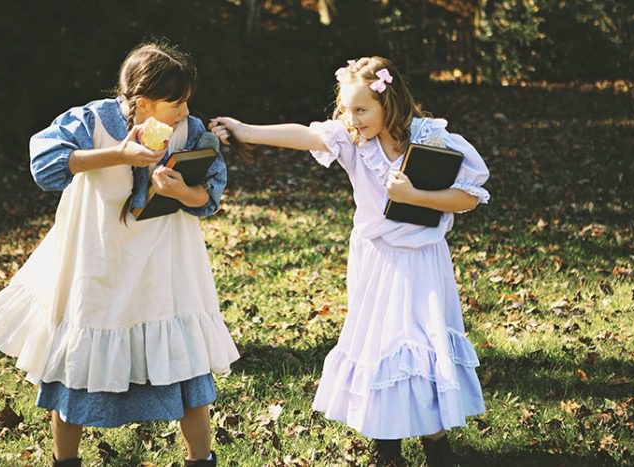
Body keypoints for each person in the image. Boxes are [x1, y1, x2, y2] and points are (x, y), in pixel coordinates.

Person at [209, 56, 489, 466]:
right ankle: (386, 447)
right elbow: (304, 136)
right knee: (381, 346)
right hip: (375, 259)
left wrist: (415, 197)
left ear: (388, 103)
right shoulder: (354, 142)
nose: (352, 119)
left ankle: (436, 443)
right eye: (346, 109)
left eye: (361, 109)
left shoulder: (432, 137)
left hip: (422, 261)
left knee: (423, 348)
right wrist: (245, 130)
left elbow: (468, 197)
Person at [0, 40, 239, 467]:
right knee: (76, 367)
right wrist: (118, 154)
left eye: (186, 102)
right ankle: (65, 461)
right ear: (141, 103)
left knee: (185, 370)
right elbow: (45, 166)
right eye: (175, 102)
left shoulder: (190, 131)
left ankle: (201, 459)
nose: (183, 111)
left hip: (166, 267)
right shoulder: (93, 122)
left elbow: (209, 196)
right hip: (99, 262)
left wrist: (182, 191)